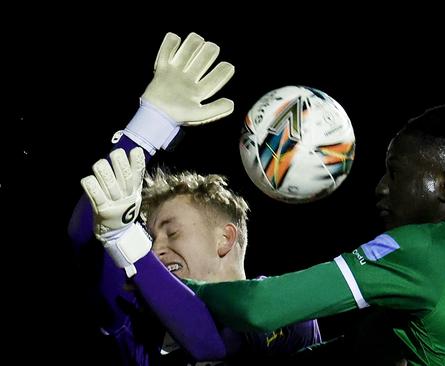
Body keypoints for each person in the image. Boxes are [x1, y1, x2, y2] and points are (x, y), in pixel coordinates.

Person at [176, 104, 445, 365]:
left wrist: (180, 288)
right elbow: (366, 345)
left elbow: (259, 308)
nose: (381, 188)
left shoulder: (423, 249)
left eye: (396, 173)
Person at [69, 31, 320, 365]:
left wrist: (127, 239)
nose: (156, 248)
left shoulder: (287, 306)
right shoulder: (139, 327)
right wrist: (148, 126)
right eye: (150, 236)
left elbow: (212, 343)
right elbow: (85, 233)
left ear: (225, 238)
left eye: (172, 232)